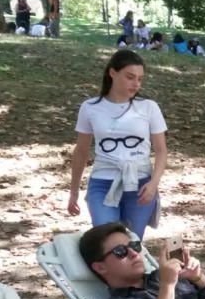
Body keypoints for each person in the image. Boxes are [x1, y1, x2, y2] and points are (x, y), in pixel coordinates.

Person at [67, 50, 168, 240]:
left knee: (132, 242)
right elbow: (81, 151)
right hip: (102, 182)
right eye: (130, 77)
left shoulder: (148, 107)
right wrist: (74, 192)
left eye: (140, 79)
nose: (136, 84)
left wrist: (153, 184)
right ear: (112, 73)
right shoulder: (90, 107)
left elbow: (161, 151)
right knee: (109, 239)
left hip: (140, 183)